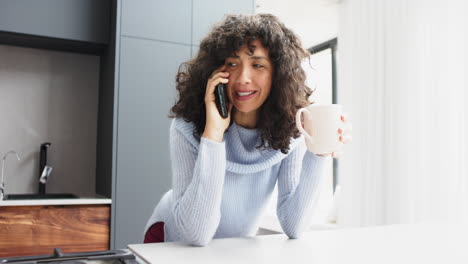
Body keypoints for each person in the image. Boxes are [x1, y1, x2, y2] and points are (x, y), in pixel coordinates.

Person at [144, 13, 351, 246]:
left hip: (231, 248)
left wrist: (319, 151)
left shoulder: (289, 131)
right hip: (170, 242)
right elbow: (195, 234)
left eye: (258, 65)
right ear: (215, 71)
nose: (243, 78)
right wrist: (213, 134)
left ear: (278, 73)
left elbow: (294, 226)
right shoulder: (187, 126)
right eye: (232, 64)